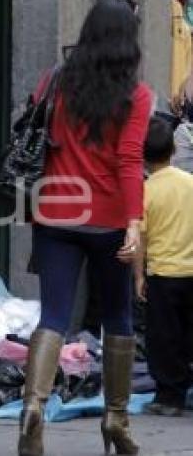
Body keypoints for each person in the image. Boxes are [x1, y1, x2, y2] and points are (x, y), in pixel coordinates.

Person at [18, 0, 152, 456]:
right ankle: (116, 419)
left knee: (53, 314)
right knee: (118, 316)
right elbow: (130, 160)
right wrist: (134, 222)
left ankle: (33, 406)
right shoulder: (136, 95)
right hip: (110, 218)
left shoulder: (54, 81)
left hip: (55, 210)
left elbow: (37, 133)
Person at [134, 117, 193, 417]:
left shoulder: (145, 192)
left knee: (164, 338)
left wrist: (138, 277)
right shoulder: (189, 183)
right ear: (173, 148)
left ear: (142, 156)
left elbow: (140, 239)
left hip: (163, 275)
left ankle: (170, 396)